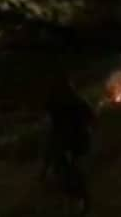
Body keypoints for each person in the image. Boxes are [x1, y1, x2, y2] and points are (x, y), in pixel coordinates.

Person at [41, 74, 96, 216]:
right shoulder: (74, 101)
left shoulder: (61, 102)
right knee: (68, 172)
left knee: (68, 172)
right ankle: (76, 200)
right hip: (71, 141)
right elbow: (90, 117)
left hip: (70, 142)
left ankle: (76, 200)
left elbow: (89, 118)